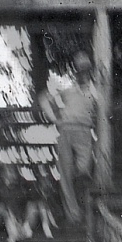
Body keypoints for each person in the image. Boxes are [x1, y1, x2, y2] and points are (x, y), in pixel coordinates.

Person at [38, 51, 96, 223]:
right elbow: (43, 98)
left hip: (85, 131)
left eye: (85, 69)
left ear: (89, 70)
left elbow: (101, 111)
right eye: (79, 69)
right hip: (66, 130)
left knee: (84, 169)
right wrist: (55, 118)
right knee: (65, 173)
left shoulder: (95, 90)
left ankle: (79, 203)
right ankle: (73, 213)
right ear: (76, 71)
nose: (82, 73)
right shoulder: (68, 89)